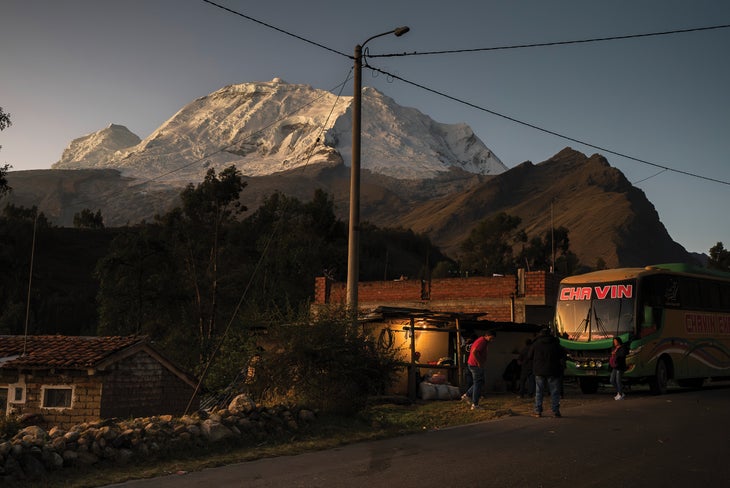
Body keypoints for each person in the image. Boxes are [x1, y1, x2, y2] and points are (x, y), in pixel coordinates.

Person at [529, 328, 565, 418]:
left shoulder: (535, 344)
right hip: (553, 370)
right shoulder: (556, 344)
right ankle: (555, 411)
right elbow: (562, 355)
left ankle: (537, 411)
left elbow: (529, 356)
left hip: (539, 371)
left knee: (539, 391)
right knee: (554, 391)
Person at [461, 330, 497, 410]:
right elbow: (474, 352)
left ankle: (467, 395)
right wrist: (479, 362)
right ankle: (475, 404)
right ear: (487, 335)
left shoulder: (482, 340)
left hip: (473, 364)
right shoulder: (482, 341)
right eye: (491, 338)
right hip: (475, 365)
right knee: (478, 384)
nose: (492, 340)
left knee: (479, 382)